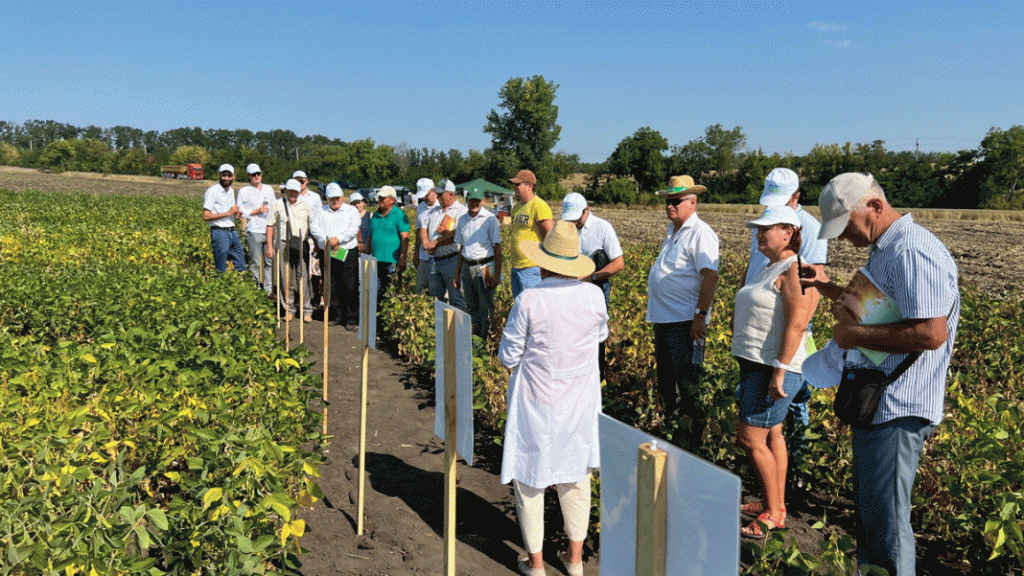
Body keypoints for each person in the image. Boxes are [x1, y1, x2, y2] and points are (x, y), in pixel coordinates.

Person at [803, 172, 960, 576]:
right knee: (875, 517)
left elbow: (930, 332)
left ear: (874, 206)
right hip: (881, 404)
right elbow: (884, 314)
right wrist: (830, 289)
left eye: (847, 226)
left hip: (899, 407)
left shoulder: (912, 251)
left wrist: (852, 334)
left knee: (888, 524)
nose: (843, 238)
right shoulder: (886, 250)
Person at [498, 220, 607, 576]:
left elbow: (509, 356)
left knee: (530, 479)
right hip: (580, 401)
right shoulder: (593, 296)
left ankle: (536, 563)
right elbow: (600, 335)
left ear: (544, 262)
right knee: (576, 478)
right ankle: (574, 560)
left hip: (537, 401)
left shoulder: (530, 299)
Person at [731, 205, 820, 538]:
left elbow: (798, 322)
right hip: (759, 363)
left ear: (788, 232)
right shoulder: (770, 267)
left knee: (749, 438)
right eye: (757, 229)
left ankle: (772, 513)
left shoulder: (794, 269)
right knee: (773, 435)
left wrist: (780, 371)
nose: (759, 234)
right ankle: (775, 504)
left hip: (773, 367)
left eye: (765, 229)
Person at [742, 167, 829, 488]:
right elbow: (752, 269)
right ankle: (774, 482)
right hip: (759, 328)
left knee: (793, 401)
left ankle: (798, 472)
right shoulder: (767, 223)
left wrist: (798, 332)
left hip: (786, 332)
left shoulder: (810, 228)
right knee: (770, 421)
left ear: (797, 196)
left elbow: (812, 287)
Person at [645, 175, 719, 453]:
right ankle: (671, 437)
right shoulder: (673, 231)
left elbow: (710, 276)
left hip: (685, 323)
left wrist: (700, 315)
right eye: (667, 201)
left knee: (688, 387)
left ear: (692, 201)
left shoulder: (700, 233)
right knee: (667, 384)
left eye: (675, 200)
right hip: (665, 321)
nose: (669, 205)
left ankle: (691, 446)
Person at [562, 192, 624, 381]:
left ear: (586, 210)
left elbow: (618, 263)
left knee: (595, 336)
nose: (574, 223)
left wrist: (591, 277)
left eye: (577, 218)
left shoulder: (602, 228)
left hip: (596, 289)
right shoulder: (567, 228)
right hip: (572, 289)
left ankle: (597, 378)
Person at [266, 178, 320, 322]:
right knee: (285, 277)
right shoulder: (277, 205)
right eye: (290, 191)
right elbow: (270, 225)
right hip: (283, 243)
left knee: (302, 277)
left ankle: (306, 310)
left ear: (298, 192)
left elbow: (313, 227)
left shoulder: (306, 205)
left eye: (295, 191)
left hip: (301, 243)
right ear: (286, 191)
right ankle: (289, 309)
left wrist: (317, 244)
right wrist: (270, 247)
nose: (292, 194)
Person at [453, 188, 502, 338]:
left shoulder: (490, 219)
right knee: (471, 305)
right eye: (471, 200)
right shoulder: (462, 219)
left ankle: (486, 340)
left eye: (477, 200)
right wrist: (457, 273)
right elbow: (462, 247)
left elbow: (497, 247)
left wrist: (497, 274)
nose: (474, 203)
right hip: (467, 266)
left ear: (483, 201)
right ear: (466, 201)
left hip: (485, 266)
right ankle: (475, 339)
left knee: (486, 307)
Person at [312, 183, 360, 331]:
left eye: (338, 197)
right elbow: (314, 227)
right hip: (329, 251)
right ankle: (337, 315)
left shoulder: (351, 210)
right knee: (332, 284)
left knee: (349, 284)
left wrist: (338, 239)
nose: (336, 200)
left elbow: (353, 228)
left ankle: (351, 318)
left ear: (342, 196)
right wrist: (327, 240)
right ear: (327, 198)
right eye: (332, 198)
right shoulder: (321, 211)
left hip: (346, 251)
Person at [508, 169, 553, 298]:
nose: (515, 187)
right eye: (514, 185)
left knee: (533, 308)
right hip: (516, 266)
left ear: (529, 186)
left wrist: (547, 264)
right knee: (520, 307)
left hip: (532, 267)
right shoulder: (516, 208)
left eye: (518, 184)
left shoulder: (538, 205)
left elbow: (549, 236)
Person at [423, 180, 467, 308]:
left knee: (456, 298)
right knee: (435, 299)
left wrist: (435, 243)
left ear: (451, 194)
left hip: (452, 260)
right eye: (437, 194)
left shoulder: (460, 211)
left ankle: (459, 327)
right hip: (434, 260)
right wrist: (427, 243)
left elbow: (457, 234)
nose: (438, 197)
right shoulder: (434, 211)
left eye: (441, 194)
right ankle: (440, 326)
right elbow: (424, 228)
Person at [364, 185, 410, 304]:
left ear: (392, 200)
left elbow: (405, 237)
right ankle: (377, 319)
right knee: (377, 291)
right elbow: (370, 236)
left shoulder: (399, 214)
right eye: (380, 197)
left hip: (391, 261)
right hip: (376, 260)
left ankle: (386, 320)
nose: (380, 200)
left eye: (383, 198)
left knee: (390, 291)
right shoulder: (375, 215)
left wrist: (403, 258)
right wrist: (367, 254)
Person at [235, 163, 276, 293]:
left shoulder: (268, 189)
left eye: (258, 174)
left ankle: (268, 291)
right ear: (249, 177)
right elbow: (240, 210)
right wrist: (256, 211)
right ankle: (256, 290)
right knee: (255, 263)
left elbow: (275, 206)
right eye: (253, 175)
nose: (256, 176)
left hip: (269, 229)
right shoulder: (243, 191)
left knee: (269, 262)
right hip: (254, 230)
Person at [201, 163, 246, 274]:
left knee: (241, 265)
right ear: (219, 175)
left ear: (233, 176)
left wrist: (235, 214)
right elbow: (206, 216)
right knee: (221, 268)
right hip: (219, 232)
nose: (226, 178)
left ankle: (239, 288)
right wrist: (227, 213)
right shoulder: (213, 191)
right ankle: (219, 288)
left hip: (232, 231)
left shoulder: (230, 191)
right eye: (224, 175)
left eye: (229, 175)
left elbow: (230, 212)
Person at [412, 177, 438, 294]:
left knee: (435, 289)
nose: (424, 198)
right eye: (422, 196)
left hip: (438, 256)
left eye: (426, 195)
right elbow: (418, 231)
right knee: (421, 288)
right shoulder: (421, 207)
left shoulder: (441, 206)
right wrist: (416, 252)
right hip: (423, 256)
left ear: (434, 191)